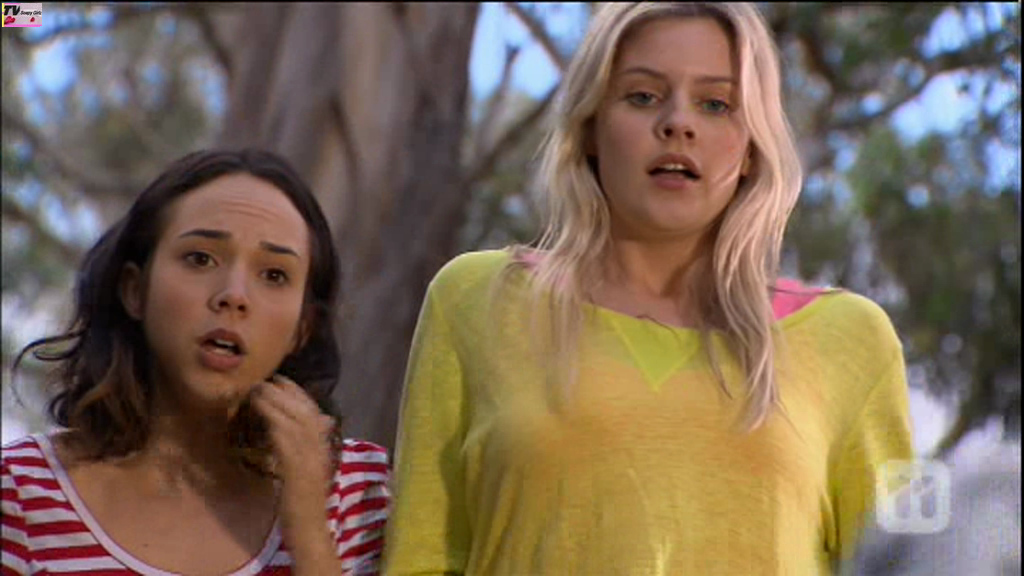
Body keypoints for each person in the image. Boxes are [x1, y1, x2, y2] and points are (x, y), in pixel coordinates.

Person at [382, 3, 913, 575]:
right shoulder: (472, 299)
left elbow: (912, 560)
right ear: (590, 127)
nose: (678, 123)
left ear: (751, 148)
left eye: (716, 104)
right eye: (642, 96)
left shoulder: (854, 338)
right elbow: (420, 559)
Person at [2, 149, 389, 575]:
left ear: (302, 327)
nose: (234, 295)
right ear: (134, 290)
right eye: (200, 259)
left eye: (274, 274)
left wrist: (310, 533)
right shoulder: (19, 496)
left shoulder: (358, 497)